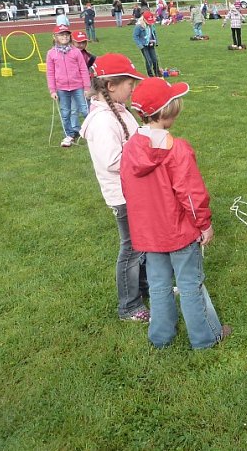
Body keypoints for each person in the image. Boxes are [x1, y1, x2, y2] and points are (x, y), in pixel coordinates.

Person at [121, 77, 231, 350]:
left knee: (158, 285)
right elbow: (191, 195)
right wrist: (203, 225)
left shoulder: (131, 147)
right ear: (168, 111)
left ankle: (160, 337)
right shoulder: (176, 149)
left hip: (148, 234)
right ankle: (205, 338)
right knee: (190, 284)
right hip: (179, 232)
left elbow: (128, 190)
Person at [79, 53, 149, 323]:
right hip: (123, 197)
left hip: (135, 192)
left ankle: (146, 288)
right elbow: (113, 161)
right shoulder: (103, 121)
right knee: (131, 249)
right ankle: (129, 306)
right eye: (129, 82)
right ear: (110, 86)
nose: (133, 87)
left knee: (143, 246)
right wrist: (147, 159)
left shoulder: (118, 110)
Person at [46, 25, 91, 147]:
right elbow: (50, 73)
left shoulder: (76, 52)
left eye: (66, 34)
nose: (64, 36)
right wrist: (52, 90)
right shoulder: (51, 54)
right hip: (61, 88)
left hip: (78, 86)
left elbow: (83, 70)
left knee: (85, 110)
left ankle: (92, 132)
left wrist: (87, 87)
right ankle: (69, 135)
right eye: (61, 34)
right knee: (65, 113)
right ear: (55, 37)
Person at [133, 11, 160, 76]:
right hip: (143, 45)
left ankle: (157, 73)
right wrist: (140, 45)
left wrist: (155, 41)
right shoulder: (139, 26)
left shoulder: (151, 25)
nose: (149, 23)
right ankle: (150, 75)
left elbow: (154, 33)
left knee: (155, 60)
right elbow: (135, 36)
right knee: (149, 61)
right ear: (144, 19)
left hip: (151, 44)